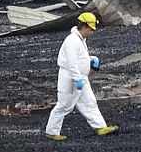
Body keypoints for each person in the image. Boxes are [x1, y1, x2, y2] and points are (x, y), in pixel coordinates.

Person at [45, 12, 119, 141]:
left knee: (90, 102)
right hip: (71, 79)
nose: (92, 33)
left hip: (81, 78)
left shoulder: (80, 40)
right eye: (91, 30)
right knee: (64, 105)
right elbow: (72, 62)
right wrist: (77, 78)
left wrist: (91, 59)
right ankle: (52, 131)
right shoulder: (72, 41)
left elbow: (80, 57)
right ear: (84, 27)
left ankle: (100, 127)